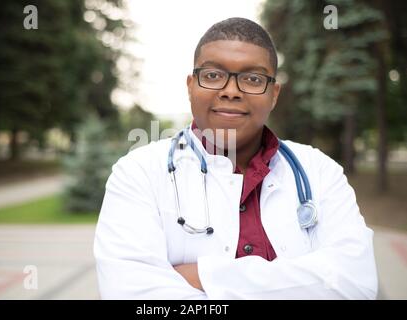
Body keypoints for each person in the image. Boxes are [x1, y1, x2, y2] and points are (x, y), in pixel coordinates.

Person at [94, 17, 378, 299]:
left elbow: (355, 283)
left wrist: (206, 276)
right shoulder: (138, 172)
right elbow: (133, 294)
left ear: (274, 94)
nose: (231, 91)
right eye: (213, 76)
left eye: (253, 79)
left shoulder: (319, 171)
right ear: (191, 86)